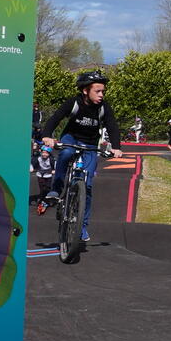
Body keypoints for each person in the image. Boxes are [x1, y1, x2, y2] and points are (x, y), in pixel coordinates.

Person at [35, 71, 121, 242]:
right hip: (71, 138)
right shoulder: (74, 102)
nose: (101, 95)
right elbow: (56, 118)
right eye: (97, 91)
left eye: (103, 91)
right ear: (85, 91)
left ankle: (82, 226)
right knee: (66, 152)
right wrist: (46, 136)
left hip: (90, 144)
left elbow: (112, 126)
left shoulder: (104, 107)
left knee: (87, 186)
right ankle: (56, 188)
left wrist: (116, 147)